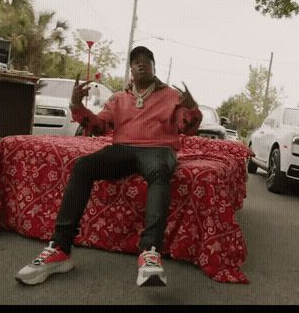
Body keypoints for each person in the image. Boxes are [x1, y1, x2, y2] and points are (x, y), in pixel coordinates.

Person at [15, 46, 202, 287]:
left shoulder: (172, 97)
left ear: (155, 67)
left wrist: (192, 107)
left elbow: (187, 128)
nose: (141, 64)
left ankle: (150, 253)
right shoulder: (118, 98)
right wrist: (76, 106)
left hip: (158, 149)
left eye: (146, 60)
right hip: (122, 149)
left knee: (160, 170)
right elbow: (100, 127)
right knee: (83, 166)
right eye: (135, 61)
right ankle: (60, 249)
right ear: (130, 70)